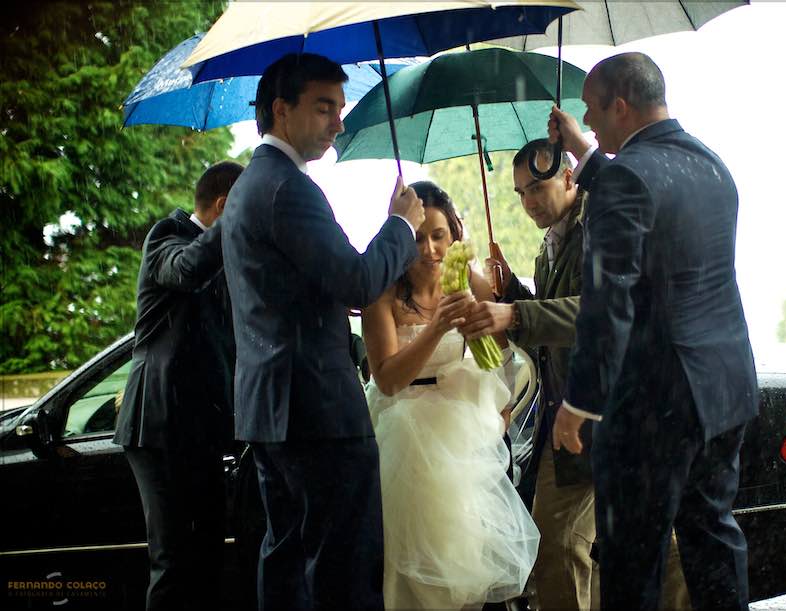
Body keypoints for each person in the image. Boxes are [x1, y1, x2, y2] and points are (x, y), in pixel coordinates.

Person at [550, 51, 758, 611]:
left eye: (593, 111)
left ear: (620, 105)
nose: (588, 121)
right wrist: (582, 152)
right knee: (712, 537)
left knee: (631, 558)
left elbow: (607, 302)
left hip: (656, 404)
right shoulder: (713, 167)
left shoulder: (626, 180)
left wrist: (579, 402)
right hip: (725, 392)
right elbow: (645, 192)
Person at [221, 53, 424, 611]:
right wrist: (401, 226)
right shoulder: (288, 188)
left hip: (269, 410)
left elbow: (293, 293)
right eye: (324, 107)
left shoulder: (246, 187)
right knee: (344, 569)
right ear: (282, 111)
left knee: (286, 563)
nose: (338, 121)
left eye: (339, 107)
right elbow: (358, 280)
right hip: (317, 410)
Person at [462, 139, 690, 611]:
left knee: (648, 543)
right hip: (571, 415)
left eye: (537, 188)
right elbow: (553, 325)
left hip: (620, 408)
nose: (528, 203)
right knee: (567, 545)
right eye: (520, 193)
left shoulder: (599, 226)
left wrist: (517, 314)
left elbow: (598, 310)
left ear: (568, 177)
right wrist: (514, 291)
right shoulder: (552, 241)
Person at [361, 181, 540, 611]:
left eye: (438, 235)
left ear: (454, 235)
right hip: (403, 434)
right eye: (418, 237)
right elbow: (386, 379)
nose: (428, 249)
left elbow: (502, 359)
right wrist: (439, 327)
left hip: (464, 436)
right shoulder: (381, 293)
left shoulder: (472, 282)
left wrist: (500, 411)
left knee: (465, 568)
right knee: (411, 571)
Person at [114, 160, 244, 611]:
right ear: (226, 207)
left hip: (205, 429)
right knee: (172, 562)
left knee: (209, 554)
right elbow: (187, 270)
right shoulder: (166, 236)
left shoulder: (228, 257)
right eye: (247, 208)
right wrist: (234, 225)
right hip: (157, 423)